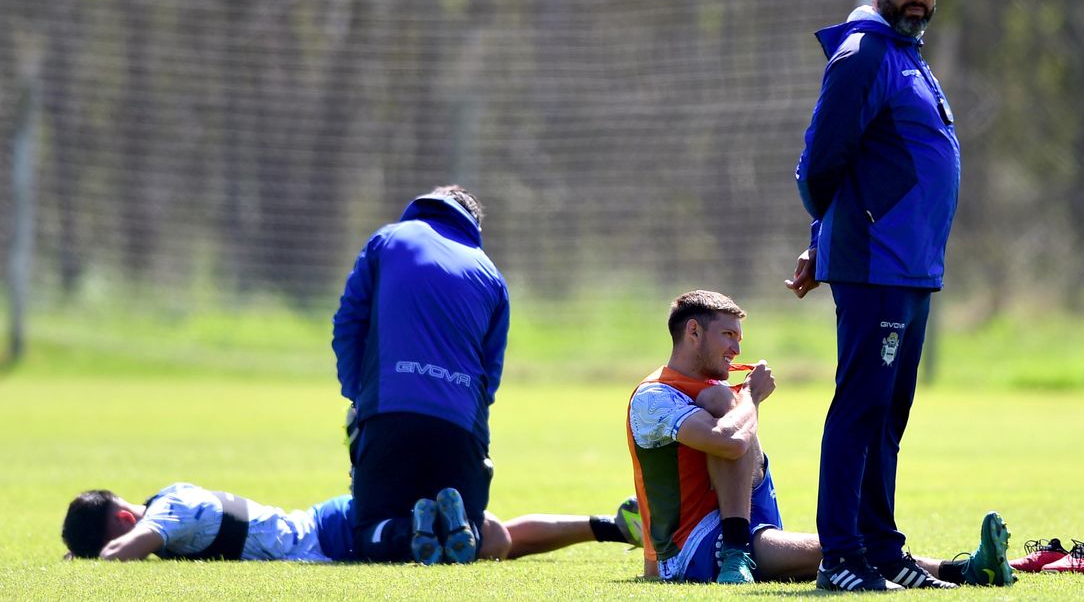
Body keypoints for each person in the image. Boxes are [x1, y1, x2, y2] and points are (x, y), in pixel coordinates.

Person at [787, 0, 994, 590]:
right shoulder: (865, 54)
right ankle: (841, 559)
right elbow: (820, 162)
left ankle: (881, 551)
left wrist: (825, 240)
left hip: (912, 270)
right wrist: (829, 239)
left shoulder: (908, 57)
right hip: (876, 267)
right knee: (860, 408)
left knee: (888, 415)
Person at [626, 290, 1011, 589]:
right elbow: (728, 442)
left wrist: (737, 399)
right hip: (689, 549)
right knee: (842, 553)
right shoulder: (654, 397)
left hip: (745, 523)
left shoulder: (713, 390)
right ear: (693, 331)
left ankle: (966, 569)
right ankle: (736, 550)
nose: (737, 349)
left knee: (848, 549)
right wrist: (751, 397)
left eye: (739, 338)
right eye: (728, 335)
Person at [332, 185, 510, 564]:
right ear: (473, 225)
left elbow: (349, 323)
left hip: (390, 411)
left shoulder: (388, 240)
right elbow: (489, 375)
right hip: (460, 426)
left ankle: (408, 529)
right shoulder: (491, 273)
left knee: (367, 532)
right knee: (471, 537)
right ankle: (464, 527)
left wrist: (357, 396)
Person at [61, 482, 644, 563]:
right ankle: (611, 526)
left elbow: (128, 550)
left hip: (334, 535)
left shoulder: (169, 509)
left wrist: (92, 565)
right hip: (331, 523)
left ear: (121, 515)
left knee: (489, 542)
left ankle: (412, 528)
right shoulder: (173, 503)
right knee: (495, 540)